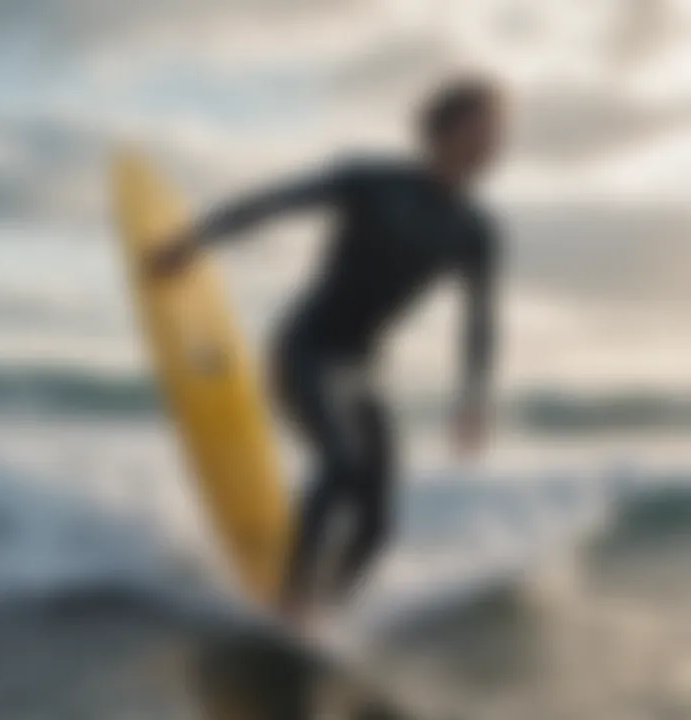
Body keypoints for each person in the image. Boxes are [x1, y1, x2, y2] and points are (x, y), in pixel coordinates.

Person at [151, 76, 503, 627]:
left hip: (363, 370)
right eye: (485, 128)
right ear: (444, 128)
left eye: (499, 134)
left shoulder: (474, 231)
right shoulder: (370, 180)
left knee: (377, 527)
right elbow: (276, 202)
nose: (494, 144)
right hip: (306, 350)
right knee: (341, 465)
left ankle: (325, 617)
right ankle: (291, 605)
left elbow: (479, 321)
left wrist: (474, 398)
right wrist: (193, 240)